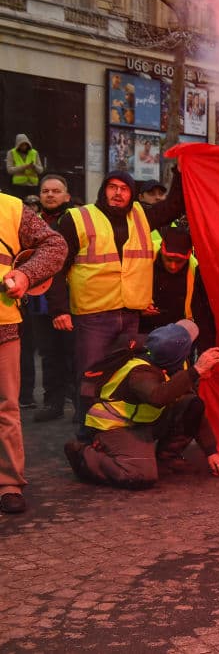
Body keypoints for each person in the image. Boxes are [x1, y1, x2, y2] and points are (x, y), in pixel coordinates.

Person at [46, 170, 186, 431]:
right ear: (103, 190)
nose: (118, 193)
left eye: (124, 188)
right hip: (93, 316)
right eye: (112, 187)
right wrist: (59, 309)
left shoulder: (142, 216)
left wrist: (181, 170)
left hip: (130, 314)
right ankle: (88, 433)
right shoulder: (78, 218)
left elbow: (175, 205)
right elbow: (55, 266)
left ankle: (114, 430)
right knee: (90, 377)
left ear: (132, 194)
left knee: (121, 376)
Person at [63, 320, 219, 488]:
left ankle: (167, 458)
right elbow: (157, 397)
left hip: (143, 423)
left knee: (192, 404)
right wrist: (196, 371)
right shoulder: (140, 372)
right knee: (139, 475)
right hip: (115, 427)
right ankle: (84, 455)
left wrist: (211, 451)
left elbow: (192, 406)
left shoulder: (169, 360)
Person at [0, 190, 68, 514]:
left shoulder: (12, 208)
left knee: (6, 408)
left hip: (3, 326)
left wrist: (26, 274)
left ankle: (9, 484)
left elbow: (56, 246)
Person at [25, 175, 77, 422]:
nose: (50, 195)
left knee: (73, 353)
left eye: (56, 191)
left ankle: (80, 405)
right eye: (45, 191)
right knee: (48, 353)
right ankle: (53, 403)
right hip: (38, 299)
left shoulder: (75, 220)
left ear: (67, 196)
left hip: (71, 298)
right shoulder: (31, 222)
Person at [139, 226, 215, 353]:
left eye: (179, 261)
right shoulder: (144, 256)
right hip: (142, 330)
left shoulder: (195, 269)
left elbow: (200, 314)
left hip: (175, 335)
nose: (173, 266)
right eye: (168, 259)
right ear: (162, 251)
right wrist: (138, 307)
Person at [5, 134, 44, 200]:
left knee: (33, 206)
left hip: (32, 185)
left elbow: (40, 170)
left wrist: (34, 166)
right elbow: (10, 170)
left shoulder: (34, 153)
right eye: (21, 145)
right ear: (18, 145)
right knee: (19, 204)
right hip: (18, 186)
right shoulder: (11, 153)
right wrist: (24, 167)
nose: (24, 147)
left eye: (25, 145)